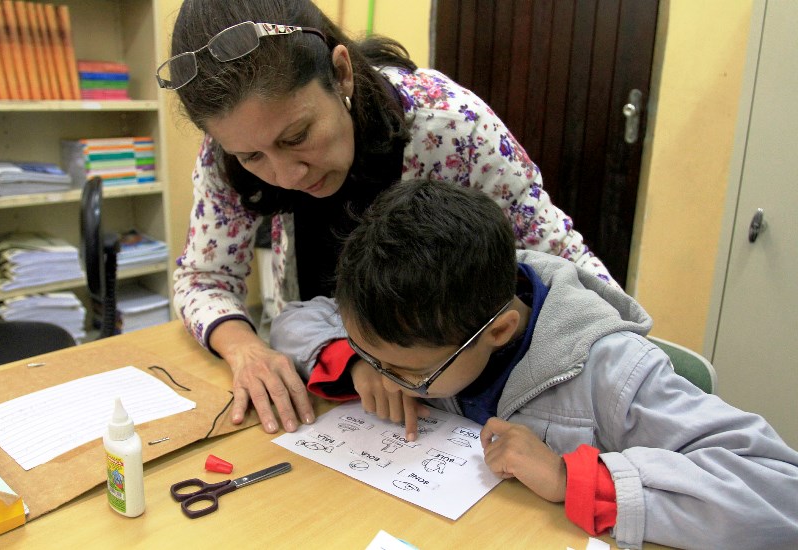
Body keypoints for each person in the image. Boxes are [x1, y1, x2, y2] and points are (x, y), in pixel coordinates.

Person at [160, 0, 616, 435]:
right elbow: (204, 278)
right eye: (252, 156)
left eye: (297, 136)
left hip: (461, 393)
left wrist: (622, 371)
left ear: (340, 74)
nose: (286, 175)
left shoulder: (450, 124)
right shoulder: (226, 153)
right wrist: (244, 349)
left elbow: (563, 264)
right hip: (331, 378)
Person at [273, 178, 798, 550]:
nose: (394, 382)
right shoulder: (409, 312)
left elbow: (779, 494)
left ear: (498, 331)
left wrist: (574, 478)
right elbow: (295, 320)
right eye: (377, 360)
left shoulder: (613, 373)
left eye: (411, 375)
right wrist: (361, 364)